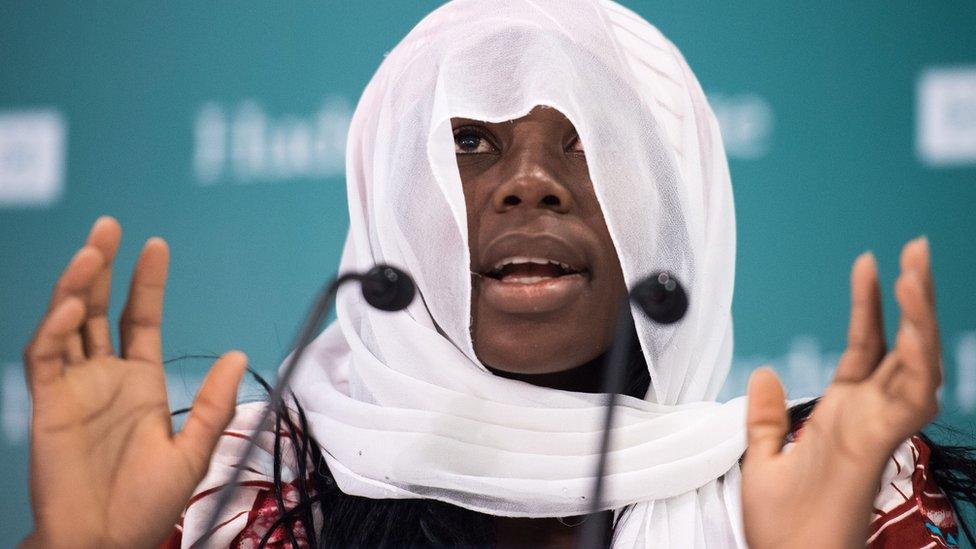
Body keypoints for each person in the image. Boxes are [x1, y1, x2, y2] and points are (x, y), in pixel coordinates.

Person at [19, 0, 973, 547]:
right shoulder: (240, 497)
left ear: (678, 215)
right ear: (394, 202)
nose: (530, 183)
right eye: (471, 141)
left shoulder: (804, 490)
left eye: (587, 141)